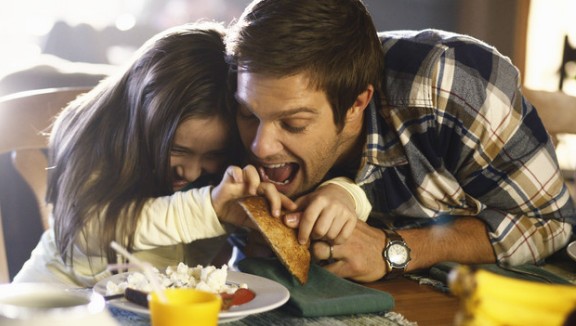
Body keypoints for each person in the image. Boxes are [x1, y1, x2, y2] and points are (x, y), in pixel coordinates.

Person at [225, 0, 576, 282]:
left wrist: (395, 249)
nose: (260, 146)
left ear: (357, 103)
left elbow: (552, 222)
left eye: (293, 122)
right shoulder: (238, 89)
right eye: (248, 115)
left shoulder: (451, 85)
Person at [13, 21, 368, 287]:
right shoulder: (101, 146)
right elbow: (86, 231)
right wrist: (209, 208)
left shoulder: (230, 170)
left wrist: (343, 196)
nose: (194, 171)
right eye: (177, 150)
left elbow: (302, 203)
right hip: (47, 306)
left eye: (212, 155)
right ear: (139, 120)